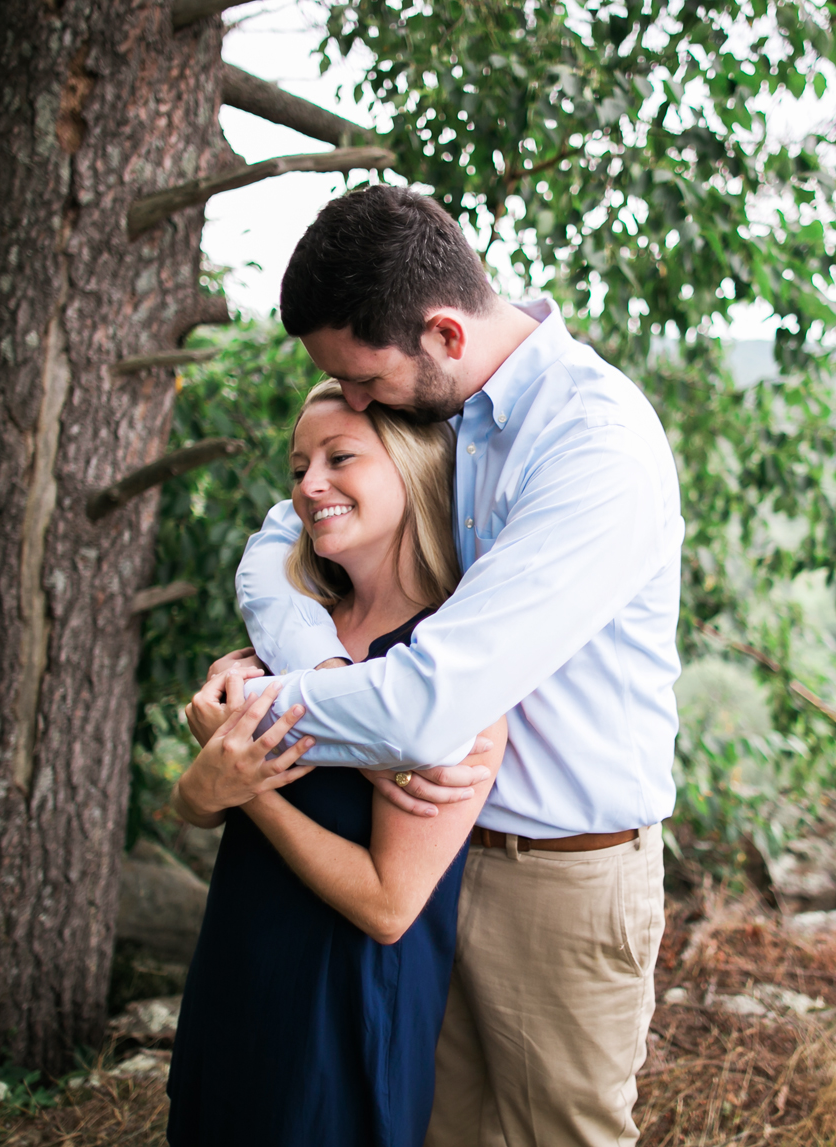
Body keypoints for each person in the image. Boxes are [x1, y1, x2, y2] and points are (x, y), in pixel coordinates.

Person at [212, 185, 685, 1147]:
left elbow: (426, 710)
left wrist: (260, 708)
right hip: (435, 856)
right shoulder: (435, 404)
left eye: (362, 382)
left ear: (442, 332)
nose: (348, 402)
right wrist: (312, 660)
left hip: (562, 874)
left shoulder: (592, 445)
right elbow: (274, 545)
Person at [164, 379, 509, 1147]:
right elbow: (196, 804)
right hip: (238, 968)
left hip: (342, 1006)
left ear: (414, 468)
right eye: (298, 466)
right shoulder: (291, 639)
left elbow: (390, 906)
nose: (308, 484)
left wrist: (255, 799)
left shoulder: (449, 675)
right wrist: (205, 784)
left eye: (339, 457)